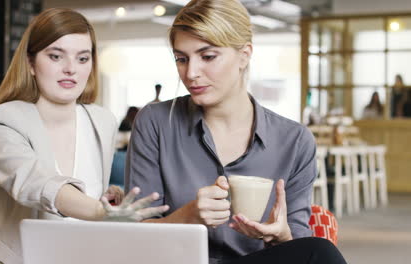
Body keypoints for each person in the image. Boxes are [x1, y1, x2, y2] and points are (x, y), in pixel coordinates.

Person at [125, 1, 346, 264]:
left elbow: (298, 244)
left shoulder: (295, 141)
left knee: (318, 251)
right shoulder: (156, 122)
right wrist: (188, 217)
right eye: (181, 59)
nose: (191, 73)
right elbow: (134, 234)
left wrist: (281, 235)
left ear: (244, 55)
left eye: (207, 57)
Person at [0, 8, 168, 263]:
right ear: (30, 63)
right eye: (56, 56)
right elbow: (35, 182)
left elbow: (85, 197)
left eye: (83, 58)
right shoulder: (4, 120)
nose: (70, 69)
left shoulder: (101, 121)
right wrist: (99, 211)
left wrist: (106, 199)